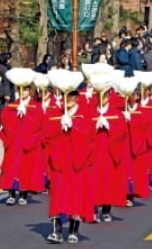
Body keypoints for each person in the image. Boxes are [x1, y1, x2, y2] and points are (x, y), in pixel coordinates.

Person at [43, 90, 95, 243]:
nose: (69, 99)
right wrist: (59, 128)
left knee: (76, 194)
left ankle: (73, 230)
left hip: (76, 163)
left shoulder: (85, 115)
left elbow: (89, 136)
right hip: (59, 162)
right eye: (67, 96)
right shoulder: (55, 114)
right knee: (57, 195)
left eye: (72, 96)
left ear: (78, 98)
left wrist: (74, 128)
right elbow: (47, 136)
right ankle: (56, 231)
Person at [0, 83, 45, 206]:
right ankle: (11, 193)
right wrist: (15, 115)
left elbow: (39, 123)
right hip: (14, 141)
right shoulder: (12, 105)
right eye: (20, 90)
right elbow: (4, 119)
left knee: (26, 167)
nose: (22, 92)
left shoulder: (36, 106)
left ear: (29, 91)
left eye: (25, 90)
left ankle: (24, 193)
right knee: (11, 166)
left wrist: (27, 115)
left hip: (28, 141)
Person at [91, 88, 128, 222]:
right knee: (93, 180)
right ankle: (93, 209)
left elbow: (122, 132)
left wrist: (110, 127)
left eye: (105, 96)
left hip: (109, 151)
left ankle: (106, 209)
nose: (103, 99)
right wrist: (93, 127)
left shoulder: (115, 113)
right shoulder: (91, 112)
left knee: (108, 180)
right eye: (100, 96)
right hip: (94, 152)